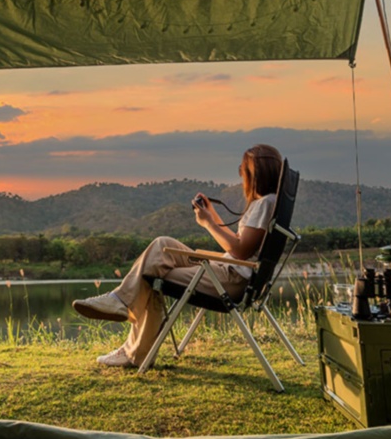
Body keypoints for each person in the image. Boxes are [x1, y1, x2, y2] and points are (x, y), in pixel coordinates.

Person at [72, 144, 284, 367]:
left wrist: (208, 224)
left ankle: (132, 344)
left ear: (256, 173)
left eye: (243, 169)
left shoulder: (264, 203)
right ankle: (121, 309)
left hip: (230, 278)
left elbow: (240, 251)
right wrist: (211, 216)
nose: (240, 174)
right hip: (227, 271)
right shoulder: (270, 202)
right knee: (162, 245)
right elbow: (241, 246)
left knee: (153, 273)